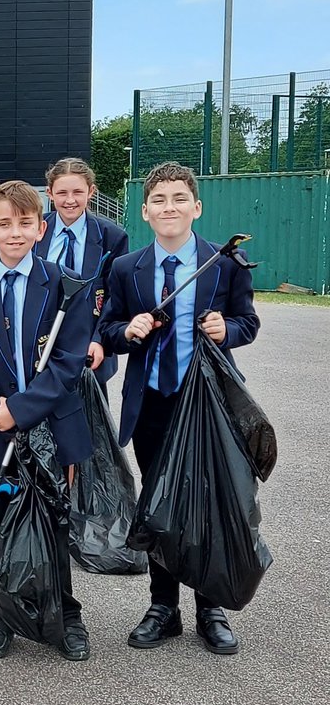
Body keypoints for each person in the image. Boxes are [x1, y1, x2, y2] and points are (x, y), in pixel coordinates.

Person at [97, 161, 260, 656]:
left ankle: (211, 607)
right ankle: (163, 606)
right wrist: (127, 331)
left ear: (197, 207)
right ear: (145, 211)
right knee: (159, 503)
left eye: (179, 198)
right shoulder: (126, 268)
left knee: (208, 502)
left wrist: (226, 331)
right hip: (152, 403)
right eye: (159, 200)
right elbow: (107, 329)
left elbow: (247, 322)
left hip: (208, 404)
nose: (170, 207)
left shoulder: (225, 263)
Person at [0, 180, 93, 661]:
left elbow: (68, 360)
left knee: (54, 523)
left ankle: (66, 616)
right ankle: (0, 615)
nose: (15, 233)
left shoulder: (64, 283)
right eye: (4, 224)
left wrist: (22, 408)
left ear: (40, 228)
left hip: (50, 422)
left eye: (25, 223)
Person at [35, 157, 129, 393]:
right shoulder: (35, 230)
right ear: (49, 193)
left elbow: (115, 297)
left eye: (78, 192)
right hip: (40, 344)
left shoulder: (112, 237)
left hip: (89, 347)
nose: (70, 200)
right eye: (62, 192)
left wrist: (99, 339)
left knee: (89, 414)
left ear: (91, 192)